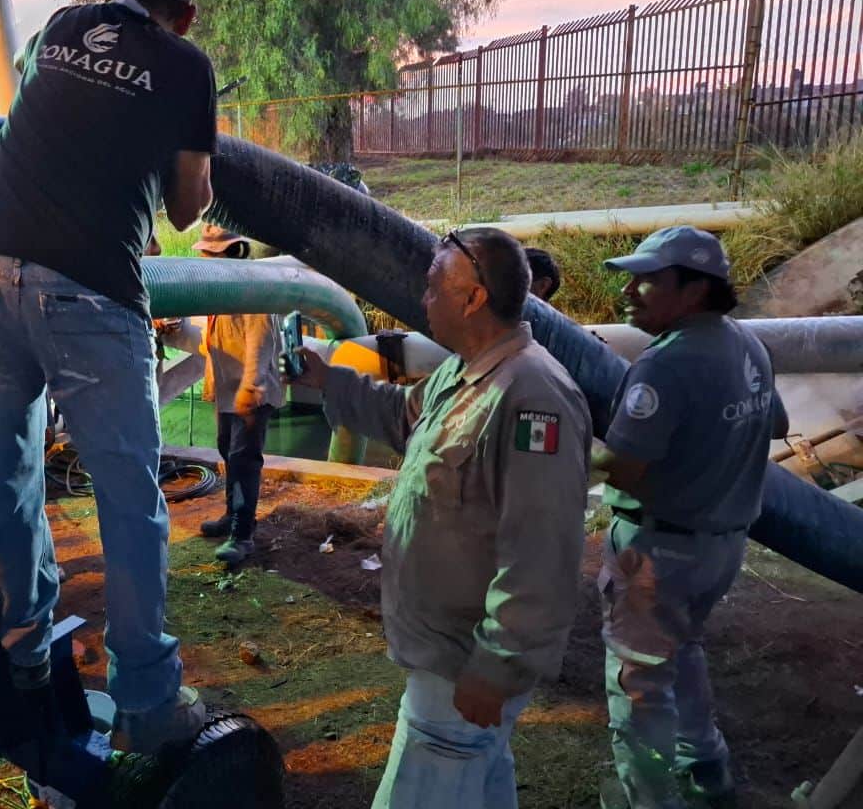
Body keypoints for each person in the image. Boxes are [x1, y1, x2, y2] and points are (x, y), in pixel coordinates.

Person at [0, 0, 216, 754]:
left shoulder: (62, 24)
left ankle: (25, 651)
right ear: (184, 13)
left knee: (9, 472)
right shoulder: (186, 67)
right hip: (91, 289)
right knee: (131, 500)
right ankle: (145, 702)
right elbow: (185, 207)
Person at [292, 227, 592, 809]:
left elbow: (542, 548)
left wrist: (499, 664)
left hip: (465, 665)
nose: (423, 299)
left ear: (473, 298)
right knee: (478, 777)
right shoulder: (464, 372)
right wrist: (328, 379)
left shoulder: (531, 395)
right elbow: (404, 415)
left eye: (433, 287)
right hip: (445, 648)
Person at [594, 226, 788, 809]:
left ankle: (650, 797)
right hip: (723, 546)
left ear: (696, 290)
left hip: (659, 553)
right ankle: (706, 768)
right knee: (684, 650)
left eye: (649, 280)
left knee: (639, 680)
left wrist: (579, 444)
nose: (631, 292)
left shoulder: (665, 366)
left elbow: (625, 469)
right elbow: (775, 424)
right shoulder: (746, 344)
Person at [192, 225, 285, 568]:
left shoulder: (252, 289)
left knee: (244, 460)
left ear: (232, 253)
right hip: (229, 390)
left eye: (209, 253)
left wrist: (251, 387)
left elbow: (260, 344)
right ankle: (232, 516)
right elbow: (214, 339)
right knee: (226, 451)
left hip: (250, 391)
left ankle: (243, 535)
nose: (203, 258)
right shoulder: (219, 290)